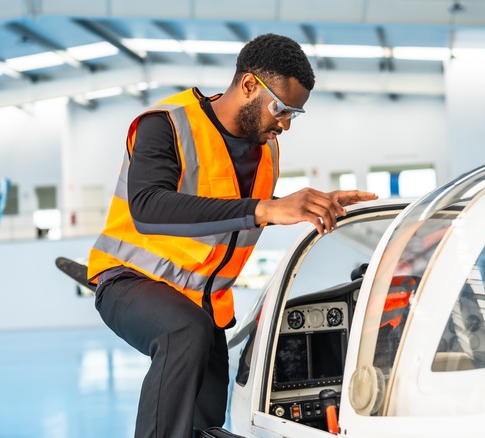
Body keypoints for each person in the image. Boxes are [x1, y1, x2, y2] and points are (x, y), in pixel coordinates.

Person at [86, 33, 377, 437]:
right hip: (129, 280)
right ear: (248, 86)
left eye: (296, 114)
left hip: (204, 305)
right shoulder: (166, 125)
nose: (286, 124)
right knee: (181, 332)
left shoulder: (266, 149)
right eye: (282, 108)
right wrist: (265, 209)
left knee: (202, 418)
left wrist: (294, 206)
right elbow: (148, 207)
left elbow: (231, 203)